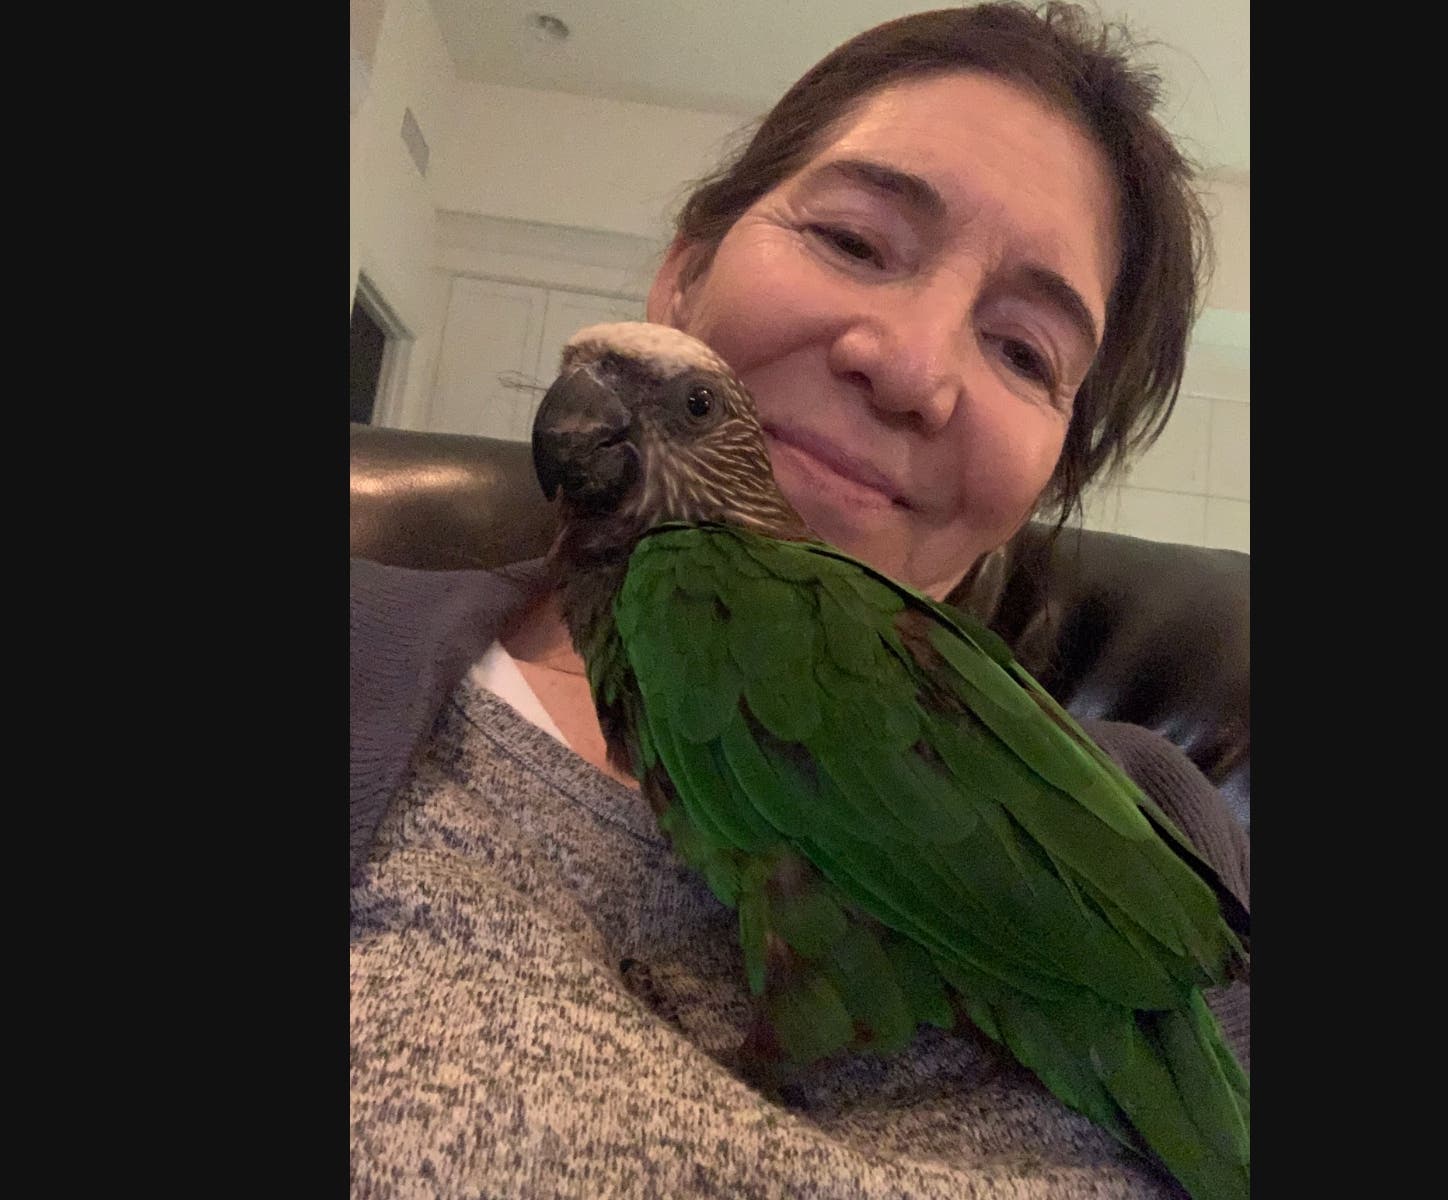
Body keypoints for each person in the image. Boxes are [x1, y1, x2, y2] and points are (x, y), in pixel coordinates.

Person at [350, 4, 1248, 1197]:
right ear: (684, 276)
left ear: (1048, 474)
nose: (912, 366)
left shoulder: (1161, 812)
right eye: (853, 240)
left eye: (1025, 351)